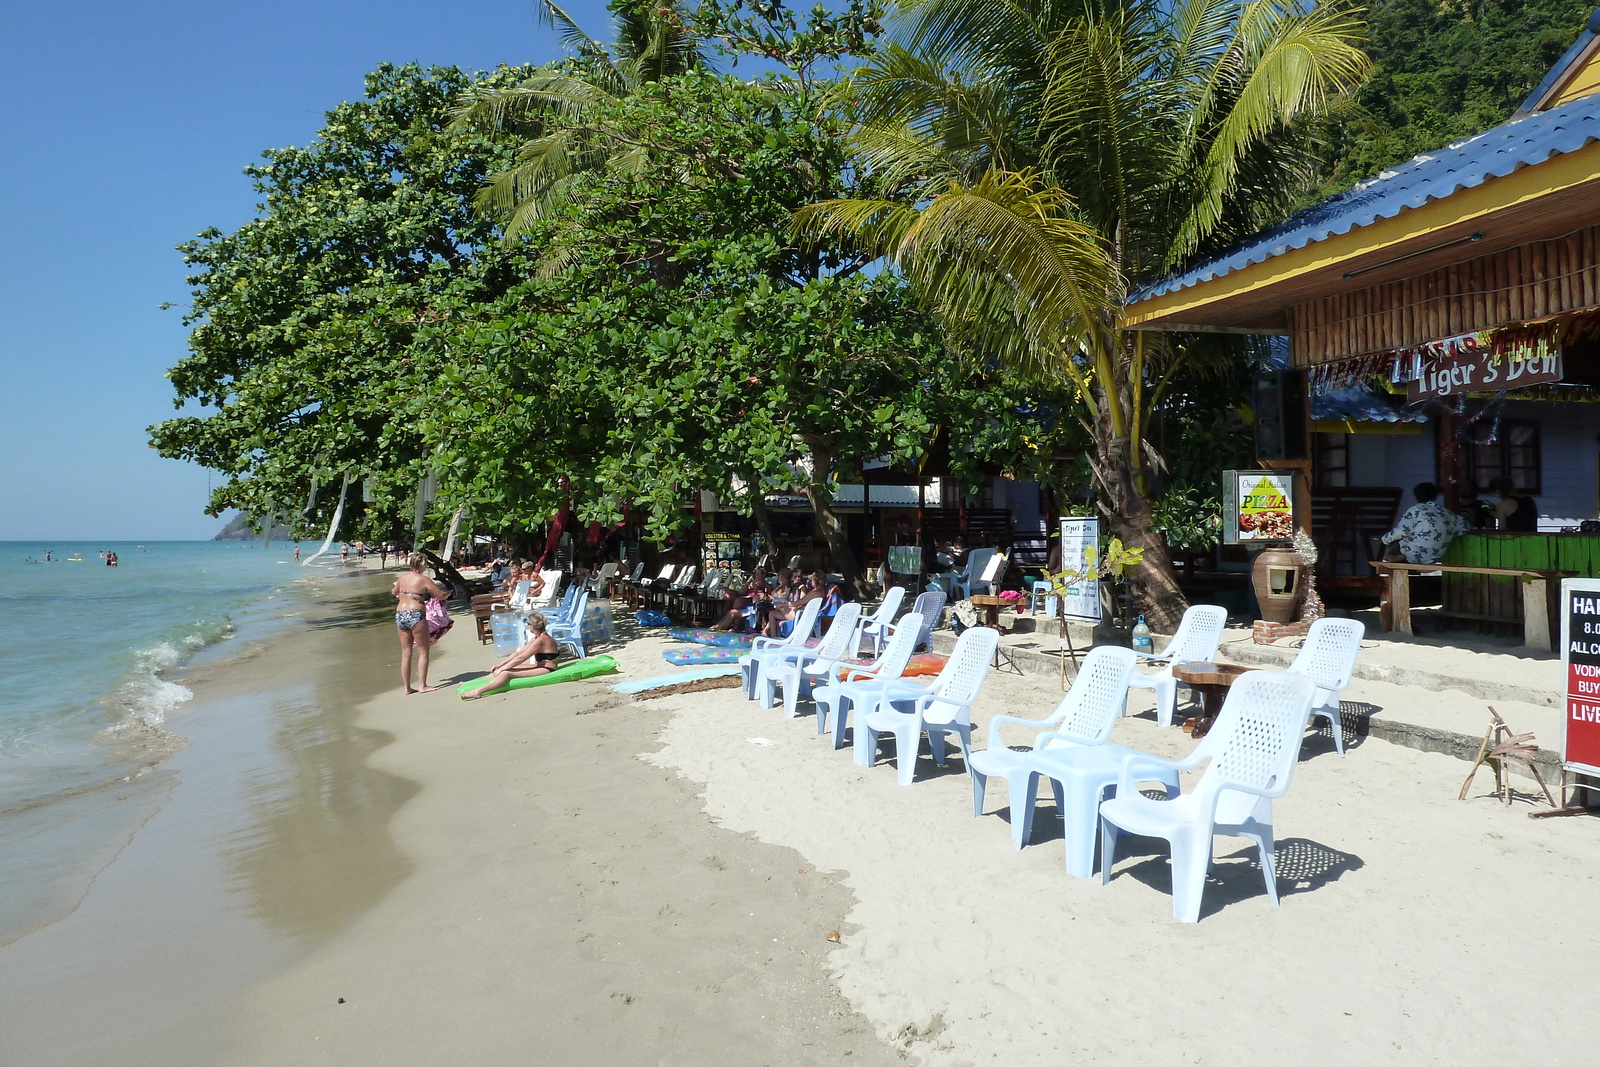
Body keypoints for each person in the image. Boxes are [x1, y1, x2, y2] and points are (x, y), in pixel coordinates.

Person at [391, 555, 450, 694]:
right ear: (421, 564)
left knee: (406, 652)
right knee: (423, 650)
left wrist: (399, 587)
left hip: (400, 614)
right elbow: (439, 595)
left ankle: (407, 688)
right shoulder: (424, 579)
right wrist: (447, 594)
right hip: (415, 614)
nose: (426, 567)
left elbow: (394, 592)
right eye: (425, 564)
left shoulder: (403, 577)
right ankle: (422, 685)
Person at [466, 612, 559, 699]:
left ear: (533, 626)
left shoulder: (541, 640)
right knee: (504, 669)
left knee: (506, 673)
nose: (527, 626)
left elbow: (521, 658)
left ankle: (478, 691)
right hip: (539, 666)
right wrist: (500, 665)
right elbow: (518, 653)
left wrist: (503, 669)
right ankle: (473, 684)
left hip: (547, 669)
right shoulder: (537, 638)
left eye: (528, 624)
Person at [1381, 482, 1468, 564]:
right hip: (1433, 558)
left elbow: (1401, 531)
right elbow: (1465, 527)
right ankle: (1403, 556)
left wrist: (1383, 540)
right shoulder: (1446, 513)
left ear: (1417, 497)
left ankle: (1399, 557)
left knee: (1393, 539)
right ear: (1435, 496)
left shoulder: (1416, 509)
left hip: (1413, 554)